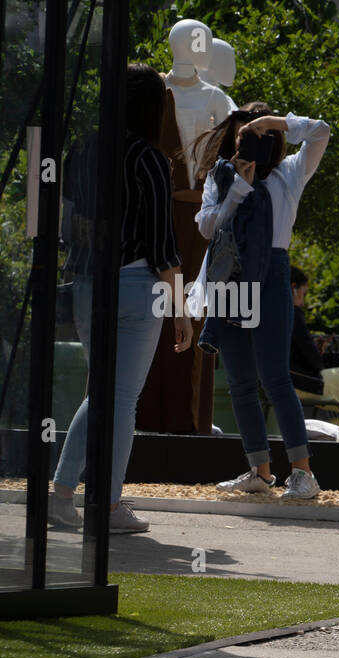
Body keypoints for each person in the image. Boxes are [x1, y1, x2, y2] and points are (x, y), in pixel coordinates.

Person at [49, 64, 193, 534]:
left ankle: (64, 495)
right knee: (121, 398)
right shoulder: (149, 158)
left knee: (101, 393)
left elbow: (68, 222)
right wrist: (180, 309)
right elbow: (162, 244)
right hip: (136, 287)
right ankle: (105, 506)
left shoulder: (83, 149)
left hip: (88, 282)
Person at [190, 104, 330, 499]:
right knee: (239, 383)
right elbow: (206, 227)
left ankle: (303, 473)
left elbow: (321, 131)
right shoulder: (222, 176)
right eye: (241, 136)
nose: (247, 142)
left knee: (275, 377)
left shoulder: (289, 173)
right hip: (231, 274)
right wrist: (237, 186)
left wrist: (272, 122)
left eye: (254, 136)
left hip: (271, 273)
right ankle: (260, 470)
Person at [288, 266, 325, 396]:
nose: (303, 302)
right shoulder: (292, 313)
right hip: (299, 383)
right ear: (294, 288)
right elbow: (312, 358)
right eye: (303, 294)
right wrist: (318, 354)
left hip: (276, 382)